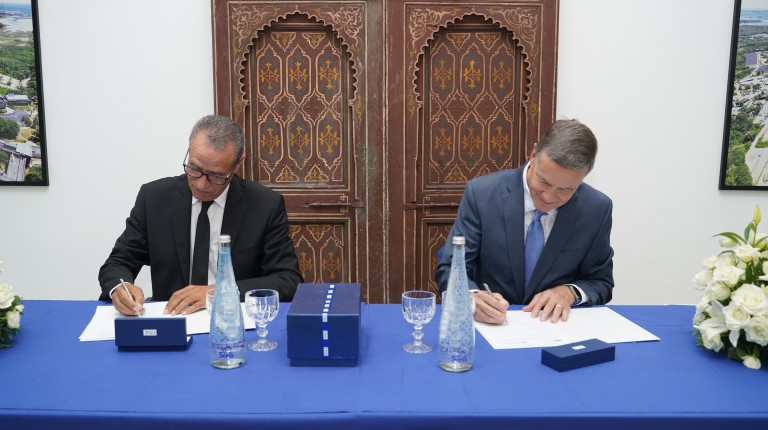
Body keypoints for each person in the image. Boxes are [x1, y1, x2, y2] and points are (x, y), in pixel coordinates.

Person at [99, 115, 303, 316]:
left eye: (215, 175)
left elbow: (288, 280)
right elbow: (119, 262)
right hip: (172, 319)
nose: (201, 184)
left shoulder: (264, 205)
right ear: (189, 151)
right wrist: (120, 288)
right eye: (194, 168)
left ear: (237, 165)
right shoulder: (154, 198)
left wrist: (221, 292)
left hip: (232, 320)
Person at [435, 119, 613, 324]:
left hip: (555, 329)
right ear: (534, 154)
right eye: (544, 181)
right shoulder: (482, 195)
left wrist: (569, 292)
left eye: (565, 190)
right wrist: (472, 297)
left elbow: (601, 282)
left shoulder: (596, 209)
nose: (548, 197)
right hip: (491, 327)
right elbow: (450, 267)